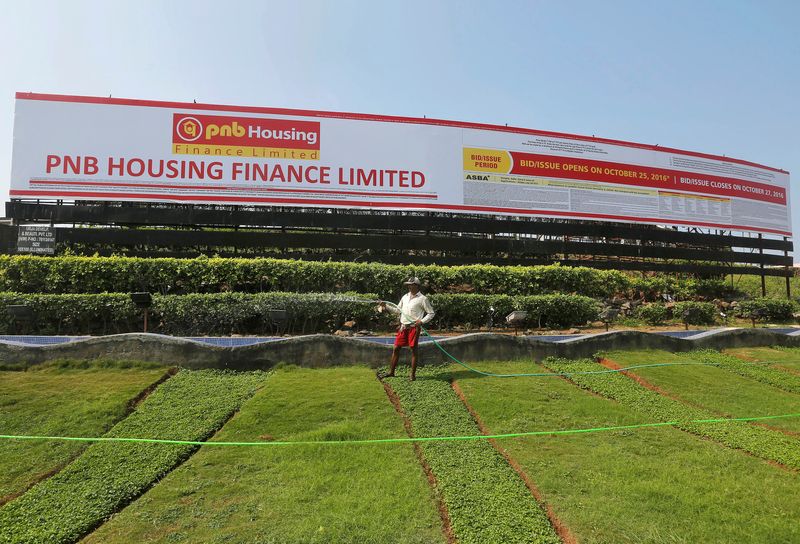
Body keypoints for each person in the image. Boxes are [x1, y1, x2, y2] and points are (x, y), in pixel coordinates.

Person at [379, 277, 435, 381]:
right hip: (403, 327)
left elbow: (431, 313)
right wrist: (385, 306)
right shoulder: (405, 297)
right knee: (396, 348)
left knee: (413, 350)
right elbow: (397, 310)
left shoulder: (423, 299)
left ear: (417, 286)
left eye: (411, 284)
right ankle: (391, 372)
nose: (409, 286)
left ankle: (412, 375)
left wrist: (422, 321)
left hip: (414, 328)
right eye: (408, 285)